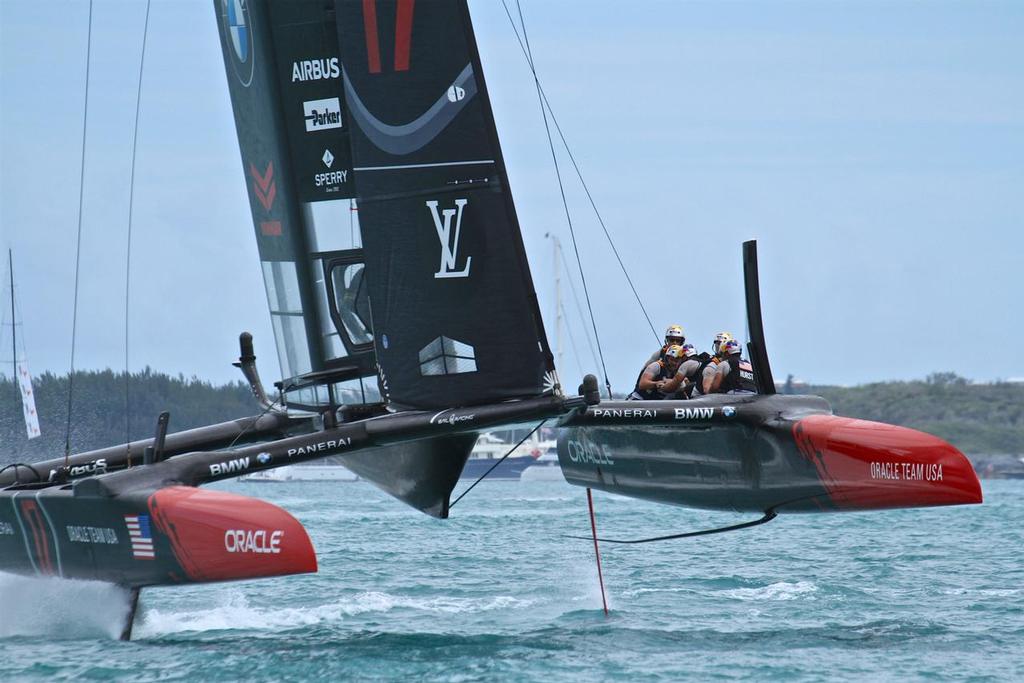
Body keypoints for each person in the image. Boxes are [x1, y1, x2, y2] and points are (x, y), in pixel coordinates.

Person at [694, 331, 733, 396]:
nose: (719, 346)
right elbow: (707, 390)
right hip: (700, 399)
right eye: (717, 343)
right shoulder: (712, 364)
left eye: (720, 343)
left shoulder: (732, 363)